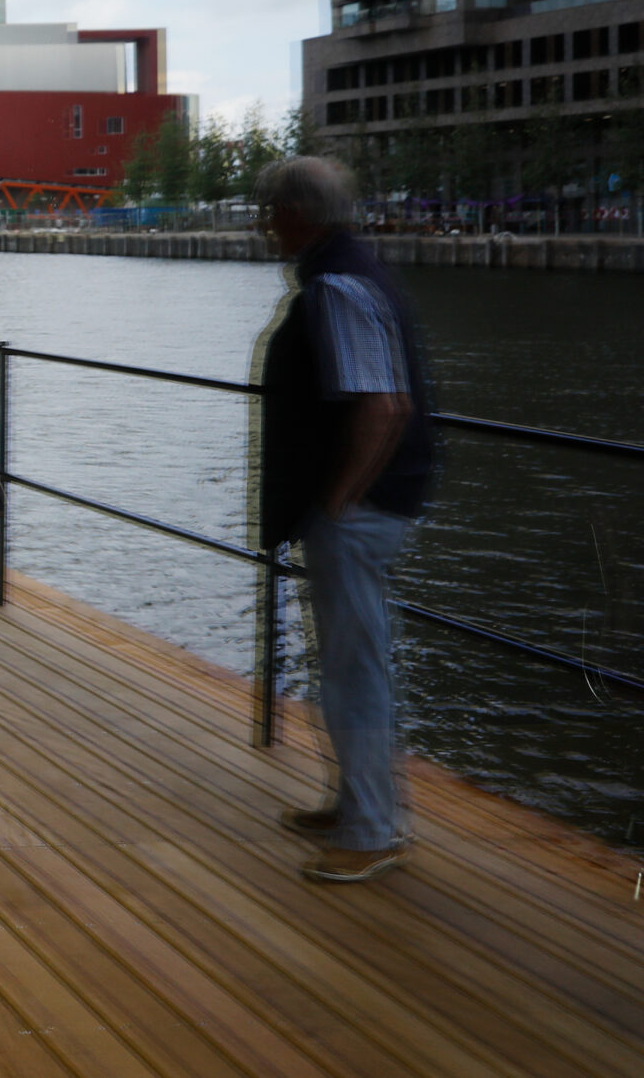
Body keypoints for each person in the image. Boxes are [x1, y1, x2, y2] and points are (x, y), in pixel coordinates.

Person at [255, 154, 437, 884]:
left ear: (297, 216)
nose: (266, 228)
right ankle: (356, 803)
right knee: (349, 662)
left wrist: (338, 502)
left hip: (359, 511)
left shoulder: (335, 283)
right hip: (367, 505)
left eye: (271, 213)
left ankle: (371, 831)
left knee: (354, 668)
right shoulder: (349, 271)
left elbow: (383, 405)